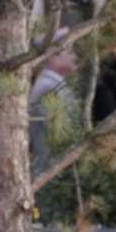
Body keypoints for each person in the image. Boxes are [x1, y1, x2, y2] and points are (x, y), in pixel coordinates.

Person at [29, 45, 79, 173]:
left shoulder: (53, 83)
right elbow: (57, 132)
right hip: (50, 167)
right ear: (52, 57)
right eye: (70, 52)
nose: (74, 57)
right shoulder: (49, 86)